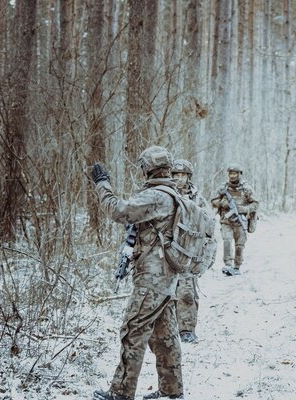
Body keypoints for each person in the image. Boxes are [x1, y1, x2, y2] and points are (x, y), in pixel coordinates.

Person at [90, 146, 184, 400]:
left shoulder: (156, 196)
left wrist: (102, 184)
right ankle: (172, 391)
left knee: (133, 330)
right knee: (164, 335)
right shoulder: (173, 193)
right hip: (167, 277)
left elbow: (119, 211)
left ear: (147, 168)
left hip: (153, 278)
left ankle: (120, 392)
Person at [171, 159, 204, 343]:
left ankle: (187, 329)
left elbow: (207, 227)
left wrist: (205, 255)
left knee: (187, 292)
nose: (178, 178)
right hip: (165, 250)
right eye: (175, 174)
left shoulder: (197, 198)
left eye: (182, 175)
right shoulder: (165, 194)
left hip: (188, 252)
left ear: (188, 176)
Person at [210, 164, 259, 276]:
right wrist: (222, 203)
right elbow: (213, 200)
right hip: (226, 221)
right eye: (230, 173)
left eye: (234, 173)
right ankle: (228, 264)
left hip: (240, 221)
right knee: (227, 241)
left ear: (239, 174)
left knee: (239, 245)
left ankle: (237, 266)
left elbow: (256, 203)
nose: (232, 176)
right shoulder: (223, 188)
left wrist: (244, 209)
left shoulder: (246, 188)